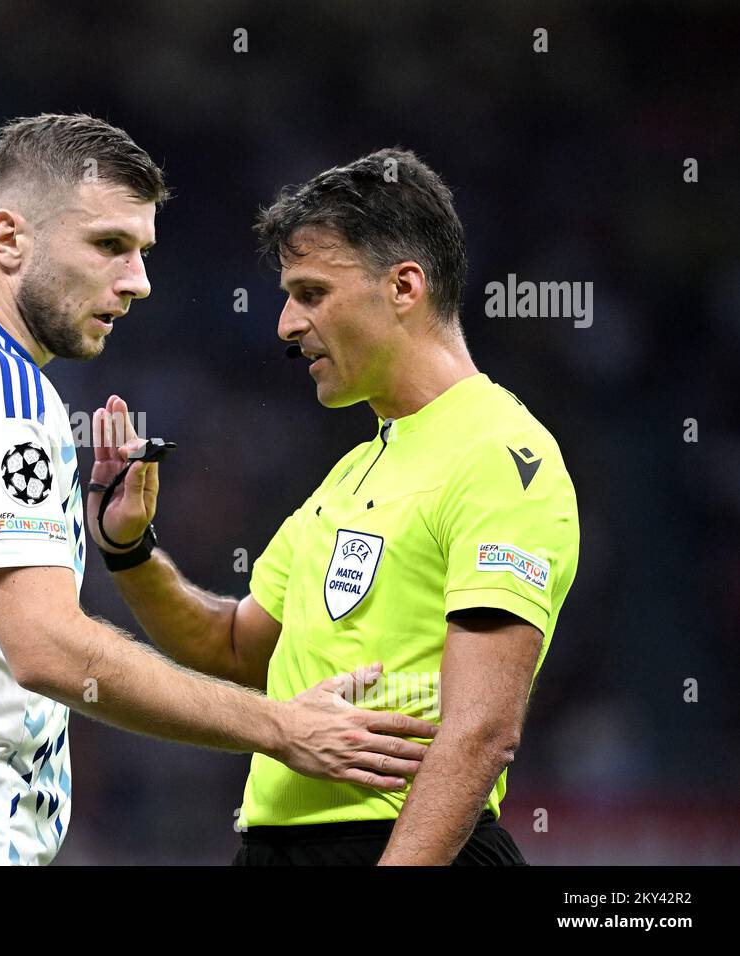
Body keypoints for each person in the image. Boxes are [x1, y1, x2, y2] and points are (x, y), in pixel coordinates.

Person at [0, 115, 436, 866]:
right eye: (109, 246)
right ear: (8, 238)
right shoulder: (3, 396)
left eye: (144, 251)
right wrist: (282, 727)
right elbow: (50, 649)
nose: (139, 281)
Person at [90, 148, 580, 865]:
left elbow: (482, 731)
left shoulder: (501, 454)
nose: (287, 325)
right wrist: (130, 552)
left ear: (405, 286)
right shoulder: (352, 473)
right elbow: (234, 648)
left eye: (312, 293)